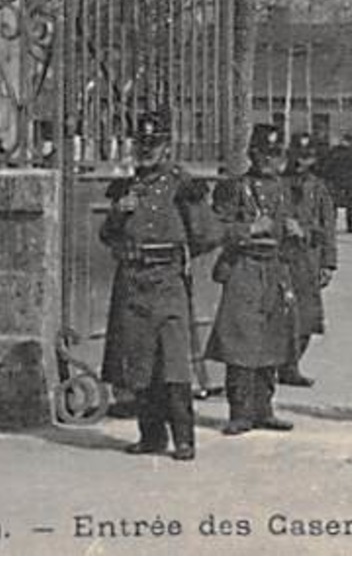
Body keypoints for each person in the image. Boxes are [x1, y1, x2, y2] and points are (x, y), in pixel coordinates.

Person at [99, 111, 217, 461]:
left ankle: (184, 439)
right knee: (139, 360)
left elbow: (207, 234)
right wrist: (119, 213)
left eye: (155, 144)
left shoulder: (183, 185)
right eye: (142, 143)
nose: (147, 150)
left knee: (174, 361)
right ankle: (151, 437)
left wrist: (177, 257)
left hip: (167, 280)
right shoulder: (126, 186)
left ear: (168, 146)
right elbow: (106, 235)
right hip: (133, 280)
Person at [206, 123, 300, 435]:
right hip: (244, 266)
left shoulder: (285, 188)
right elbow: (214, 229)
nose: (270, 161)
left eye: (275, 154)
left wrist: (296, 231)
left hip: (274, 267)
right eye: (263, 154)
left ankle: (264, 408)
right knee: (241, 339)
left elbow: (303, 228)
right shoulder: (234, 188)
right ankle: (240, 412)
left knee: (271, 337)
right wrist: (249, 229)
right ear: (252, 154)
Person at [279, 133, 336, 387]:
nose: (303, 162)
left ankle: (291, 366)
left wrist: (328, 263)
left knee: (308, 316)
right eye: (298, 156)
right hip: (281, 259)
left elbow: (328, 227)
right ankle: (279, 365)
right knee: (281, 314)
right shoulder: (278, 184)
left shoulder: (319, 188)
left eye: (308, 157)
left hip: (308, 258)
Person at [319, 133, 352, 233]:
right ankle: (349, 226)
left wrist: (325, 177)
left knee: (334, 204)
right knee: (349, 205)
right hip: (349, 182)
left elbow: (327, 166)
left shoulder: (334, 151)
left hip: (336, 181)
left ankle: (332, 225)